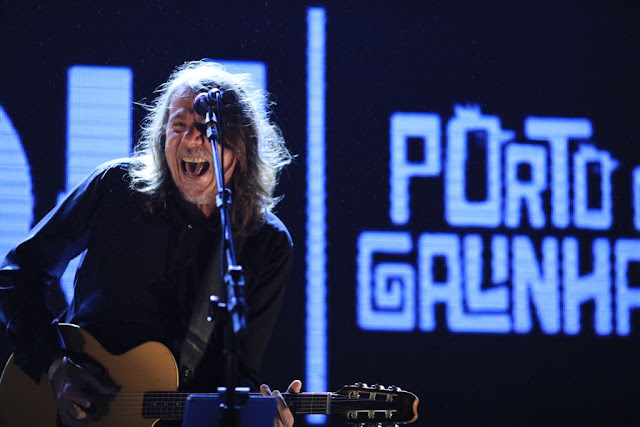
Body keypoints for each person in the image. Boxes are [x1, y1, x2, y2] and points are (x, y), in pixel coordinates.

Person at [0, 60, 300, 426]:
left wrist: (259, 417)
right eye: (179, 125)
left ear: (239, 148)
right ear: (161, 138)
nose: (191, 139)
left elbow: (238, 377)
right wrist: (56, 367)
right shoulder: (116, 187)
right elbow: (17, 274)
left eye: (208, 128)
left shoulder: (267, 243)